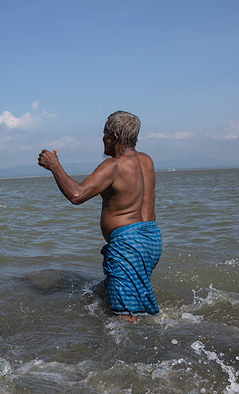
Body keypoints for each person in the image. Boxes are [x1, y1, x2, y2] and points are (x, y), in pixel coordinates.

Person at [37, 111, 161, 321]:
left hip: (127, 243)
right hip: (151, 239)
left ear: (114, 137)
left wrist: (54, 166)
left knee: (125, 318)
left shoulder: (114, 165)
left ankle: (131, 350)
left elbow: (77, 195)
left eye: (104, 134)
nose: (102, 139)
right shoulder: (146, 160)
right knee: (125, 299)